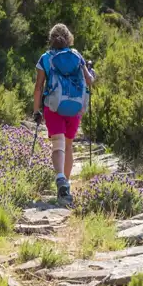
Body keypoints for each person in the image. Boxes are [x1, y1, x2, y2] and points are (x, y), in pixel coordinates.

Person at [33, 23, 95, 206]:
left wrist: (36, 110)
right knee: (68, 145)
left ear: (51, 39)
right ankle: (65, 187)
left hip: (53, 107)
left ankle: (60, 178)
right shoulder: (77, 56)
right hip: (75, 107)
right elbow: (89, 81)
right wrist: (91, 72)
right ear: (69, 38)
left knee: (57, 144)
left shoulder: (45, 58)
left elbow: (39, 87)